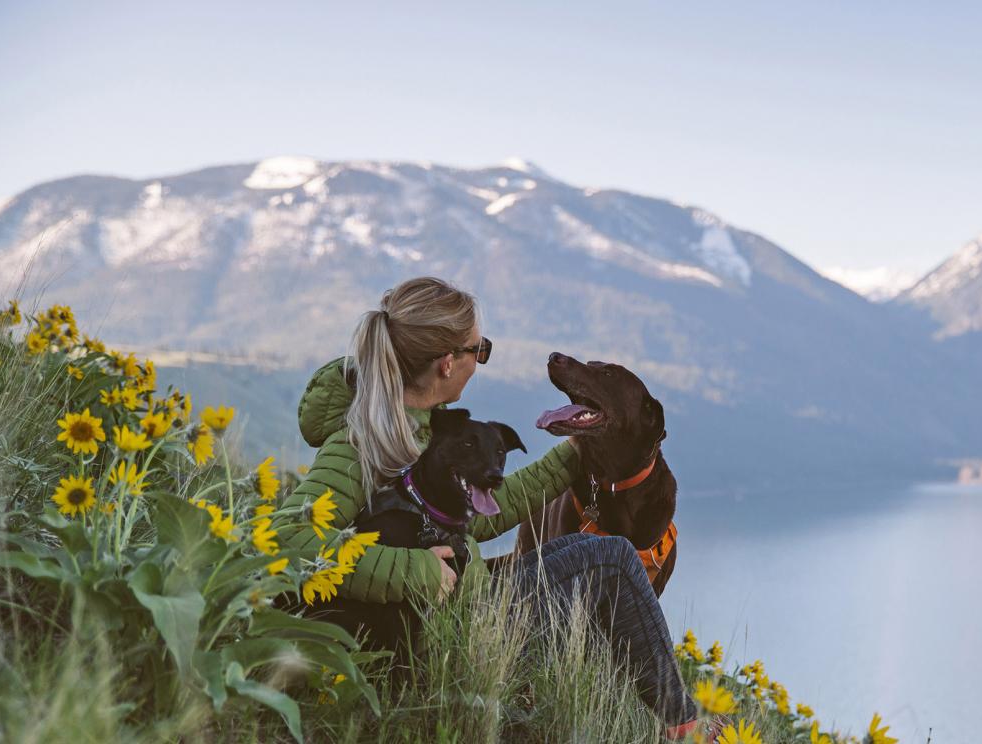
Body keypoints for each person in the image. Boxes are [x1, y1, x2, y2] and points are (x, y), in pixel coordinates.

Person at [278, 276, 711, 740]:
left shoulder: (419, 426)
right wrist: (412, 570)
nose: (481, 360)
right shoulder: (358, 441)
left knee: (581, 556)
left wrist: (577, 452)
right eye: (479, 349)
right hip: (447, 634)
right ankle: (686, 726)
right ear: (447, 363)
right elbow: (293, 541)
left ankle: (675, 718)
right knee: (616, 559)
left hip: (458, 603)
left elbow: (479, 514)